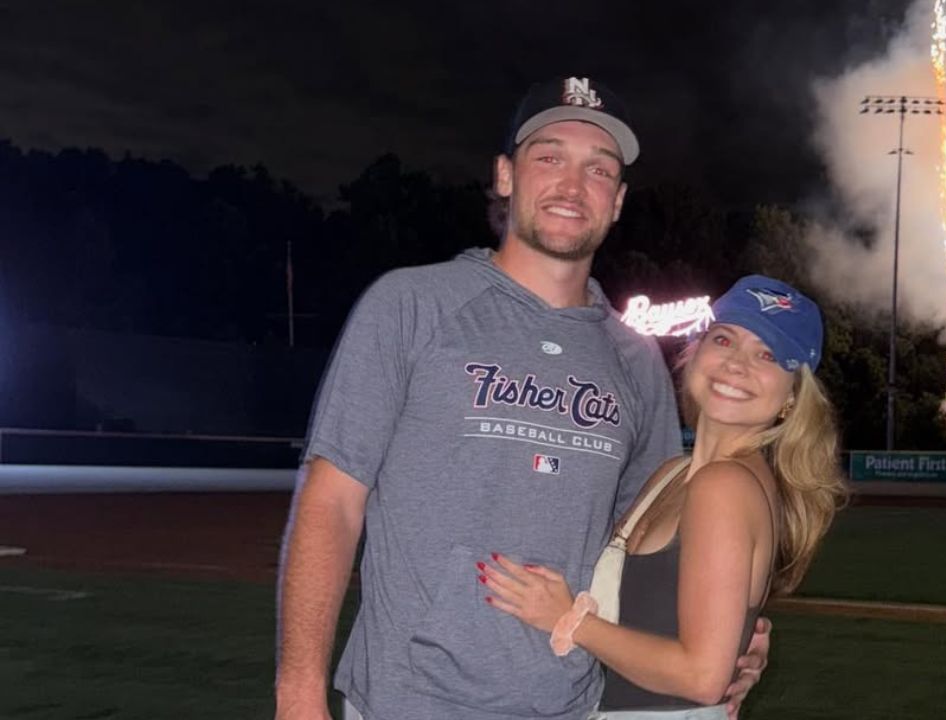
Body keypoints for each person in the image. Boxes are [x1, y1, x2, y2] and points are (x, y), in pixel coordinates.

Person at [275, 76, 769, 720]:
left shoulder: (635, 361)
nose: (572, 184)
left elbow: (646, 548)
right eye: (550, 157)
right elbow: (331, 502)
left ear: (617, 201)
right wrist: (298, 693)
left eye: (598, 169)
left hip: (568, 705)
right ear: (505, 176)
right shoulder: (410, 306)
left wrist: (734, 633)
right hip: (409, 700)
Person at [480, 275, 847, 718]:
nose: (736, 364)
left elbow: (702, 677)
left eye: (767, 355)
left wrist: (568, 620)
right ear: (695, 352)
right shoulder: (673, 475)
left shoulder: (724, 487)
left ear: (791, 398)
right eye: (724, 339)